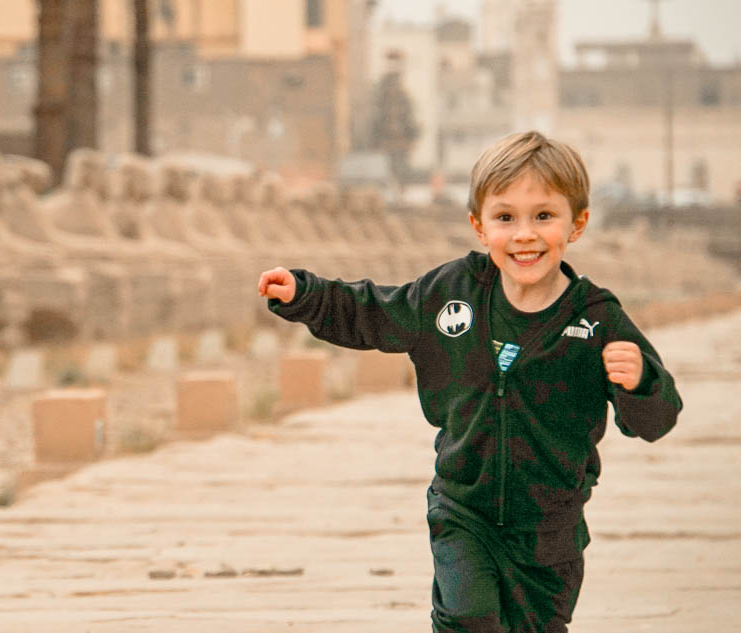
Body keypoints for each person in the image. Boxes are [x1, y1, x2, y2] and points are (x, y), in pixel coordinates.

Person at [257, 130, 682, 633]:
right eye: (506, 218)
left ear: (578, 223)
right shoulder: (452, 293)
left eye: (543, 216)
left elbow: (657, 420)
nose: (524, 234)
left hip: (549, 533)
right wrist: (306, 295)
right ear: (480, 228)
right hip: (464, 510)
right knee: (468, 618)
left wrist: (640, 383)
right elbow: (375, 312)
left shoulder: (596, 318)